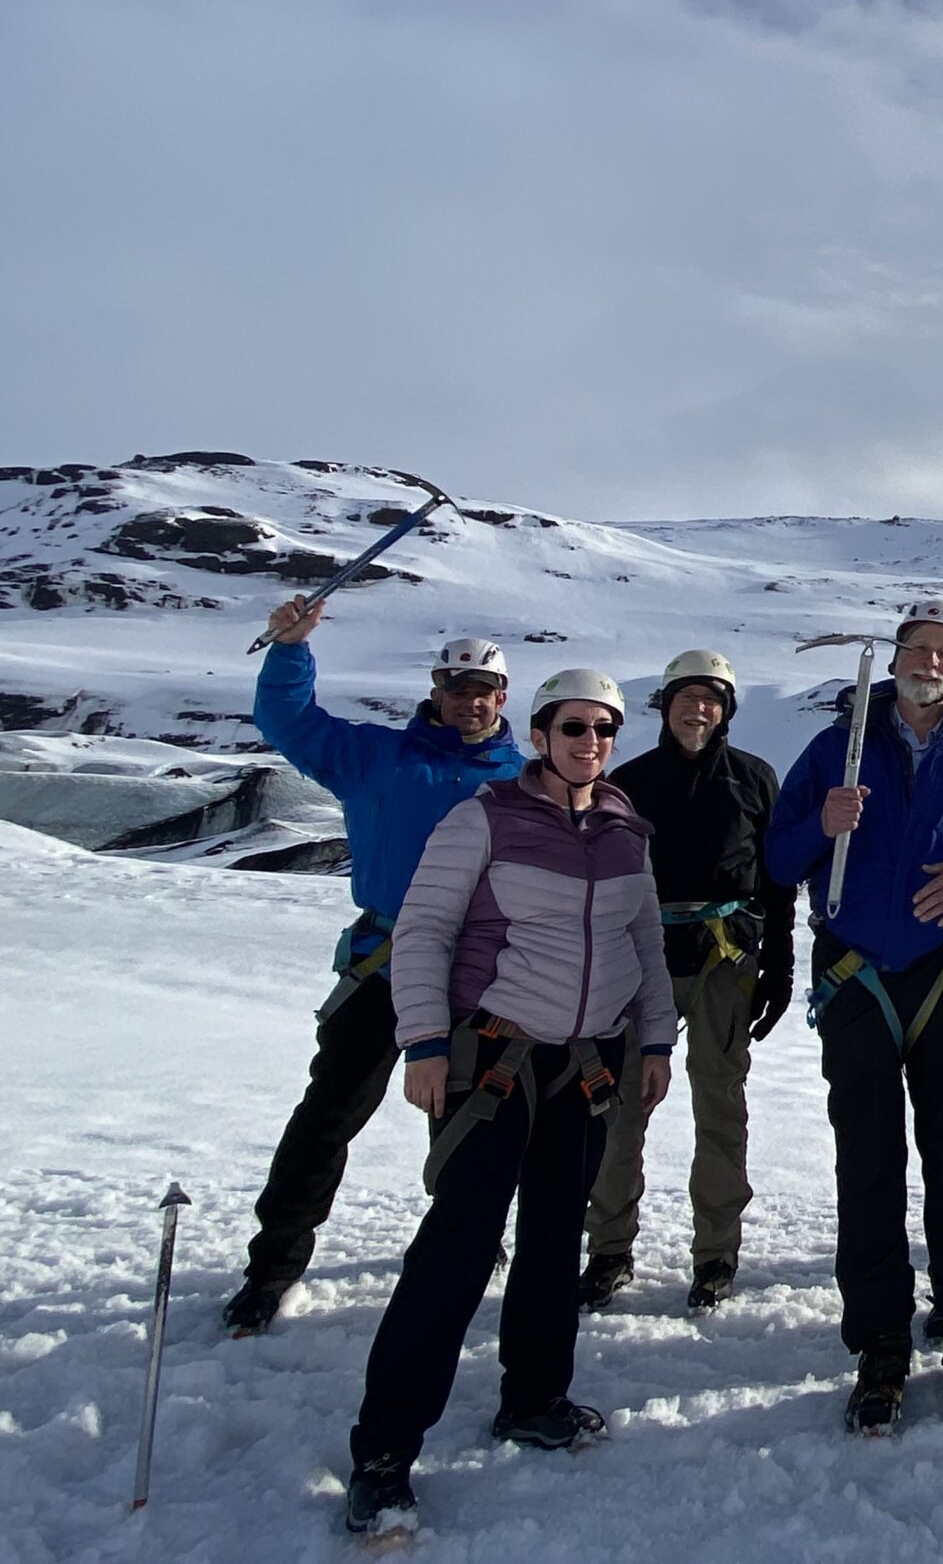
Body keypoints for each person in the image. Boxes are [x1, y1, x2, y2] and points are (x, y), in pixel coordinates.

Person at [342, 669, 675, 1535]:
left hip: (586, 1063)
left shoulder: (623, 826)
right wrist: (421, 1041)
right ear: (538, 734)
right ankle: (384, 1452)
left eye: (604, 729)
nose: (590, 742)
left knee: (555, 1236)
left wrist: (654, 1040)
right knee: (458, 1245)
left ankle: (535, 1398)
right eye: (573, 727)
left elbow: (643, 940)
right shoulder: (482, 819)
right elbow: (424, 931)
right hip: (492, 1059)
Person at [765, 597, 943, 1433]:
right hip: (857, 980)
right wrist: (822, 821)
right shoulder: (836, 749)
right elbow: (777, 860)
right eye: (918, 647)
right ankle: (880, 1345)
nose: (931, 660)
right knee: (870, 1168)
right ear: (895, 658)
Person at [222, 605, 524, 1337]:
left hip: (475, 971)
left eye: (484, 687)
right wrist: (291, 649)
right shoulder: (379, 757)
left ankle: (469, 1240)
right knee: (331, 1112)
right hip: (386, 962)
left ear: (503, 697)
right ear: (436, 689)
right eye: (458, 685)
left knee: (468, 1117)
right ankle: (274, 1268)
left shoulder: (527, 779)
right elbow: (292, 723)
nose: (470, 698)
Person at [579, 650, 797, 1314]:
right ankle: (609, 1248)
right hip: (637, 960)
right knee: (619, 1110)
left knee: (720, 1110)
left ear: (725, 709)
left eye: (711, 699)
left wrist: (780, 965)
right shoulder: (629, 783)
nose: (697, 709)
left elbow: (778, 882)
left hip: (724, 963)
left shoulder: (755, 780)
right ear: (666, 705)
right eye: (686, 698)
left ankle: (716, 1255)